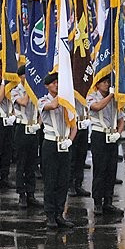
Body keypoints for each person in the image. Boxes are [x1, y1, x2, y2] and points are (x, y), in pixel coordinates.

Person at [39, 72, 77, 229]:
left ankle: (60, 213)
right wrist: (64, 94)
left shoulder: (67, 102)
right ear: (47, 86)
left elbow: (74, 126)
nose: (56, 85)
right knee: (51, 180)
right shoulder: (42, 100)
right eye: (53, 83)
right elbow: (53, 106)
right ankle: (50, 215)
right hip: (50, 144)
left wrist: (69, 140)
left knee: (63, 181)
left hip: (64, 145)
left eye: (58, 82)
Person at [88, 74, 125, 216]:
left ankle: (108, 201)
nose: (106, 84)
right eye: (103, 82)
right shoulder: (92, 96)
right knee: (100, 169)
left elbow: (121, 120)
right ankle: (97, 202)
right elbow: (97, 107)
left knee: (111, 170)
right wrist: (110, 96)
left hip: (112, 135)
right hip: (99, 135)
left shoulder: (115, 99)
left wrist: (118, 133)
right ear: (97, 85)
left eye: (108, 82)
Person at [12, 67, 42, 208]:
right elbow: (23, 102)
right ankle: (21, 194)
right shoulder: (15, 90)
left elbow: (42, 109)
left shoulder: (36, 90)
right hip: (22, 128)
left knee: (32, 162)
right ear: (20, 77)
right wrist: (30, 90)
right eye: (25, 75)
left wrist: (38, 123)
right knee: (21, 162)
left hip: (33, 128)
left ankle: (31, 193)